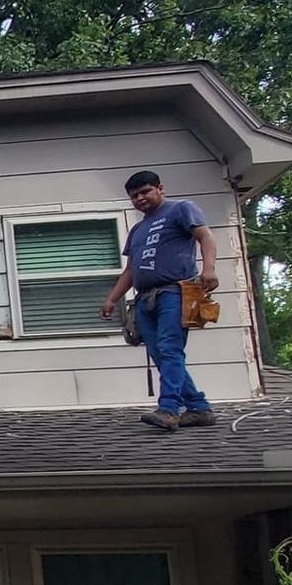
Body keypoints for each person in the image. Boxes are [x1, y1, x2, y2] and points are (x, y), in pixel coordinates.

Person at [100, 171, 220, 431]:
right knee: (160, 354)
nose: (140, 199)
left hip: (174, 292)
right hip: (144, 299)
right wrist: (112, 299)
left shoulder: (181, 209)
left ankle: (168, 409)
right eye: (134, 196)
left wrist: (208, 269)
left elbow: (205, 236)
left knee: (170, 349)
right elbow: (131, 270)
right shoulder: (138, 230)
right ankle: (198, 408)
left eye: (145, 192)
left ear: (160, 189)